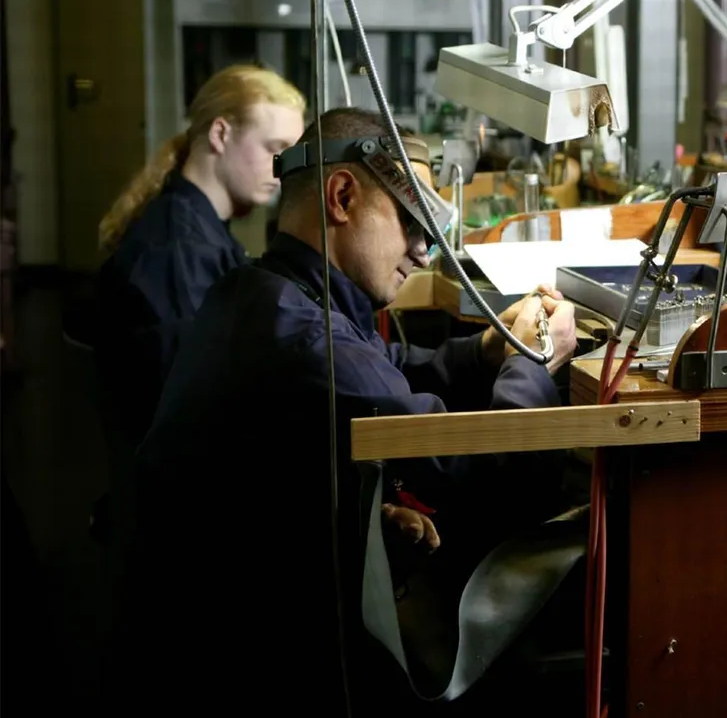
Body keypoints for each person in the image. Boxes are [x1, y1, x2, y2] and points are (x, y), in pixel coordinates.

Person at [110, 107, 579, 713]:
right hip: (235, 665)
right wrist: (536, 356)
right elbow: (484, 476)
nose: (421, 248)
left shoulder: (262, 292)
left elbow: (386, 369)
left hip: (196, 616)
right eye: (411, 220)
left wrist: (490, 349)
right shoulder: (305, 343)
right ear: (342, 195)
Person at [94, 64, 307, 449]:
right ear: (220, 133)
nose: (282, 170)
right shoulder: (179, 251)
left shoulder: (198, 228)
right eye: (274, 149)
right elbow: (190, 404)